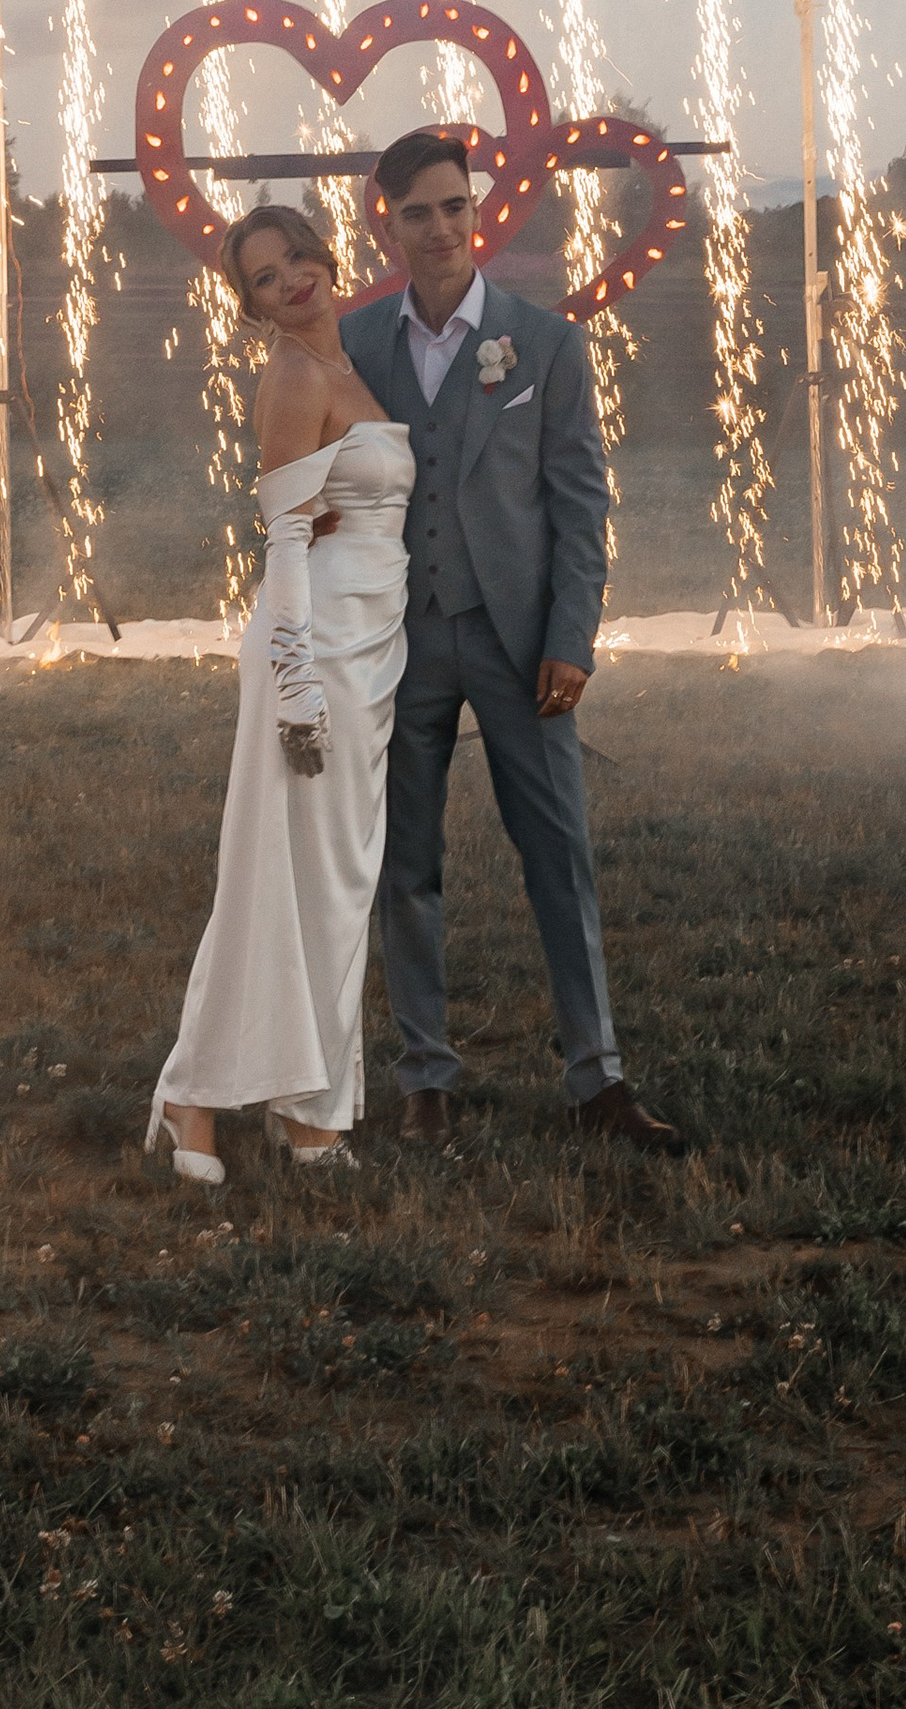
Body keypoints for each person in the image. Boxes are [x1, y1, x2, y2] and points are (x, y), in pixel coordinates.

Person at [337, 129, 686, 1154]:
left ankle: (597, 1078)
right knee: (404, 863)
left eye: (453, 206)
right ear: (387, 225)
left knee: (558, 855)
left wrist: (571, 636)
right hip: (398, 641)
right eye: (416, 213)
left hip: (520, 641)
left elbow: (580, 503)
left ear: (476, 209)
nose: (438, 229)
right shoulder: (358, 344)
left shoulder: (545, 343)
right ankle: (426, 1079)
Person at [146, 205, 414, 1187]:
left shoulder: (353, 367)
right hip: (315, 651)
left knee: (335, 884)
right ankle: (207, 1100)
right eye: (266, 277)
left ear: (323, 254)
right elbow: (288, 536)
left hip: (373, 647)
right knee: (285, 880)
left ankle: (302, 1109)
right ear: (251, 305)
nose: (292, 279)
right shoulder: (295, 377)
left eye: (298, 257)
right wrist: (297, 681)